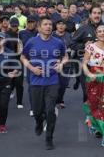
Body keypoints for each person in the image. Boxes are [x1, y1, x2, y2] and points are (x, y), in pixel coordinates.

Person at [21, 16, 68, 150]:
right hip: (35, 81)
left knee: (50, 110)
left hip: (52, 81)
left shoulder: (58, 42)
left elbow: (65, 56)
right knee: (37, 111)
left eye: (50, 24)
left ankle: (49, 138)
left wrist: (61, 65)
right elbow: (23, 57)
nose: (48, 27)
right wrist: (32, 68)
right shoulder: (31, 42)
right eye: (45, 24)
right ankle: (38, 121)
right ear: (39, 27)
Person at [19, 15, 38, 116]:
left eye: (32, 22)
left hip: (41, 60)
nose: (30, 24)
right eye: (28, 22)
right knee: (31, 86)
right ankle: (33, 108)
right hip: (28, 61)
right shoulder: (21, 33)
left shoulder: (39, 33)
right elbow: (18, 45)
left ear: (36, 23)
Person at [52, 20, 72, 108]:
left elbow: (73, 46)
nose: (61, 26)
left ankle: (60, 99)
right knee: (53, 83)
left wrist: (71, 50)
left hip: (66, 63)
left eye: (63, 24)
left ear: (65, 26)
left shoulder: (68, 35)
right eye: (59, 24)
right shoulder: (51, 35)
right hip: (53, 63)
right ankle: (54, 100)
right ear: (56, 25)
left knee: (63, 84)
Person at [5, 17, 24, 108]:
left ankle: (19, 102)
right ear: (10, 25)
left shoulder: (20, 34)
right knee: (10, 80)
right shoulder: (6, 34)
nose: (14, 27)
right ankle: (9, 92)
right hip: (9, 61)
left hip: (19, 60)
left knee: (19, 82)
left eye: (15, 26)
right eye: (12, 26)